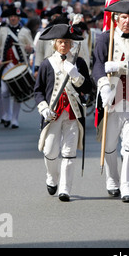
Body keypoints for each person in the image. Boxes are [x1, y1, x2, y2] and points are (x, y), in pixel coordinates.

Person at [92, 0, 129, 203]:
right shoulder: (104, 38)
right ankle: (112, 180)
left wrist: (121, 66)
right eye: (124, 17)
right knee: (109, 144)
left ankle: (127, 186)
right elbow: (97, 65)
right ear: (116, 18)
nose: (127, 21)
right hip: (110, 95)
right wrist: (103, 85)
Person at [34, 22, 92, 202]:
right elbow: (38, 90)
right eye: (60, 42)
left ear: (72, 44)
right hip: (53, 113)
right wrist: (43, 107)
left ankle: (65, 189)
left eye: (67, 42)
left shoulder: (79, 62)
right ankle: (52, 177)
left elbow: (88, 88)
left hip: (73, 113)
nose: (64, 45)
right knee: (50, 151)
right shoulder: (46, 63)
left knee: (69, 151)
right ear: (55, 44)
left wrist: (76, 74)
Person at [0, 2, 34, 129]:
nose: (13, 18)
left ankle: (15, 119)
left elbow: (32, 48)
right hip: (5, 66)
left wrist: (29, 48)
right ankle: (6, 116)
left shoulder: (25, 31)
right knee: (4, 92)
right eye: (11, 16)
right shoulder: (3, 30)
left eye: (15, 16)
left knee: (18, 93)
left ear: (19, 18)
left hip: (20, 66)